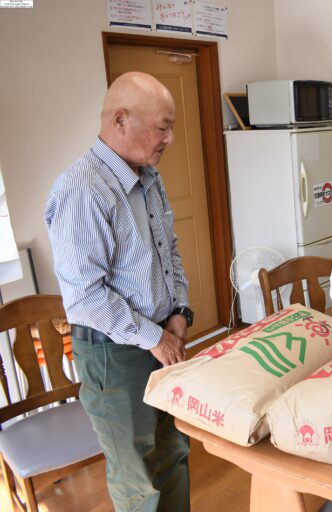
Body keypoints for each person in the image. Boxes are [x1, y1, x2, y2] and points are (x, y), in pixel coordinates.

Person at [45, 72, 193, 512]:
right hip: (116, 355)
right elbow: (85, 297)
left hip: (161, 341)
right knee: (139, 480)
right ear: (121, 120)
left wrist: (180, 311)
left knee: (174, 456)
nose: (169, 138)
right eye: (162, 126)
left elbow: (170, 252)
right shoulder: (83, 189)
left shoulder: (149, 177)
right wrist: (155, 337)